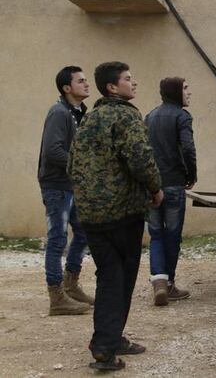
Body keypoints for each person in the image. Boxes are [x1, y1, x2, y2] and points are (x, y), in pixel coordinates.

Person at [68, 61, 163, 372]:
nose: (133, 84)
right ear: (112, 87)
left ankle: (112, 338)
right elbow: (140, 158)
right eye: (127, 79)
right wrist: (155, 188)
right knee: (118, 277)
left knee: (109, 274)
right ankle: (105, 346)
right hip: (122, 212)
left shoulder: (90, 118)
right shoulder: (126, 115)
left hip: (91, 213)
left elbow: (72, 164)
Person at [37, 65, 94, 315]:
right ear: (67, 88)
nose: (87, 84)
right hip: (57, 186)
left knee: (82, 232)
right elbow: (53, 151)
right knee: (58, 240)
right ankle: (56, 297)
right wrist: (81, 165)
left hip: (71, 184)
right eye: (81, 81)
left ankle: (71, 285)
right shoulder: (59, 113)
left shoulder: (79, 112)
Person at [145, 77, 196, 306]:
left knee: (156, 234)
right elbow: (187, 147)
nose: (189, 92)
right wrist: (191, 174)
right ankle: (170, 283)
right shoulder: (182, 116)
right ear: (175, 91)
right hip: (174, 183)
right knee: (172, 235)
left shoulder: (150, 116)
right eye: (185, 88)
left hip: (152, 185)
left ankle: (158, 281)